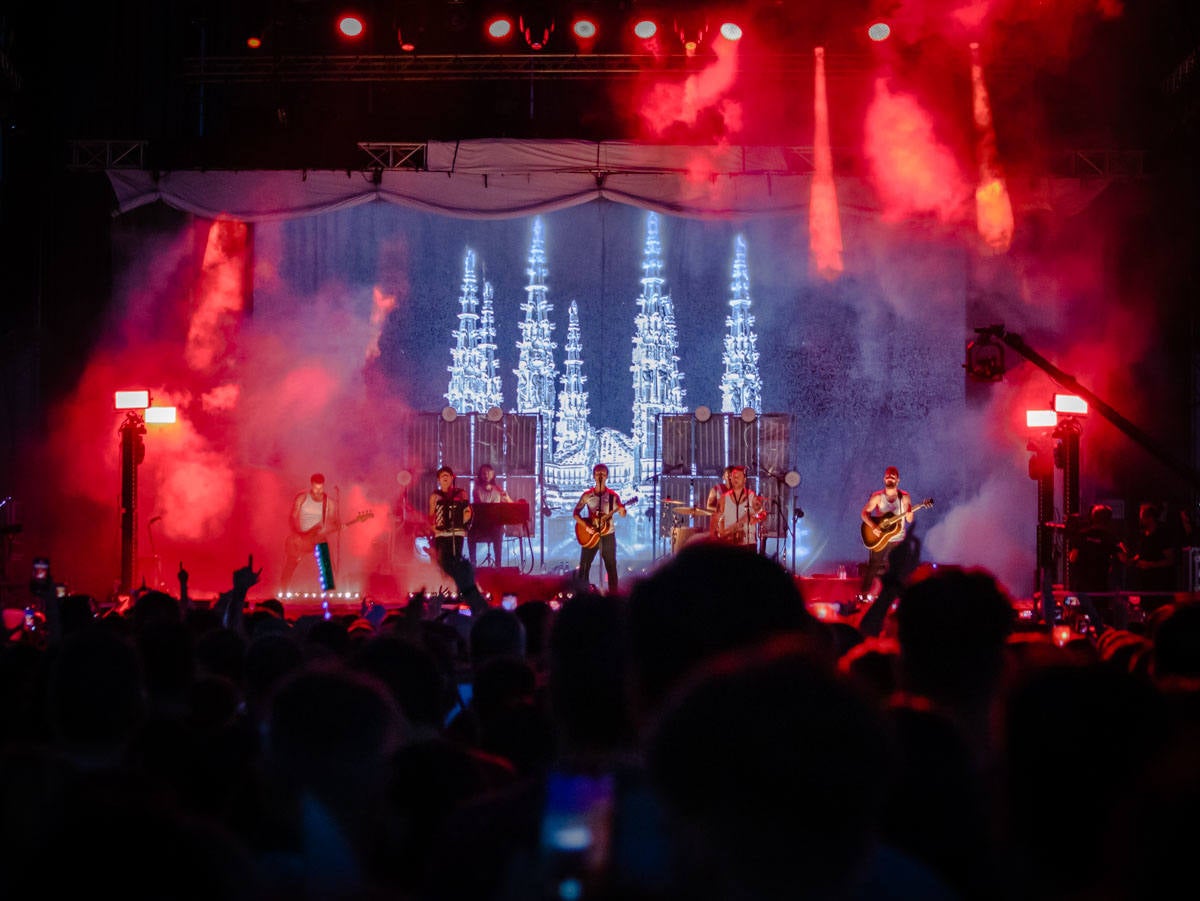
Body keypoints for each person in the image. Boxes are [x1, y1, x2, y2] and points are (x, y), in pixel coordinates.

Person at [573, 463, 628, 594]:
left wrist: (622, 510)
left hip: (607, 534)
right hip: (590, 536)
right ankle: (583, 595)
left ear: (607, 476)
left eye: (603, 473)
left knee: (611, 566)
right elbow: (575, 513)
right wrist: (585, 526)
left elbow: (622, 513)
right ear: (593, 476)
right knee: (584, 566)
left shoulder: (613, 496)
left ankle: (613, 596)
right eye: (598, 473)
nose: (600, 476)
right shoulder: (587, 495)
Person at [281, 473, 340, 592]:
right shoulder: (302, 498)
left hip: (318, 538)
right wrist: (296, 533)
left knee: (326, 563)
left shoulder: (330, 503)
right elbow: (292, 517)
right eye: (316, 487)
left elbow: (333, 521)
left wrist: (338, 525)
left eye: (321, 488)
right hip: (301, 537)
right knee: (291, 565)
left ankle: (329, 593)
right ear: (311, 485)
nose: (318, 491)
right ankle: (283, 591)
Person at [859, 466, 911, 600]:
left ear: (898, 480)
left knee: (897, 569)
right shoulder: (877, 497)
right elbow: (864, 513)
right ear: (884, 478)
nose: (890, 477)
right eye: (888, 475)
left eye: (893, 476)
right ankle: (863, 595)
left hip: (898, 539)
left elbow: (909, 519)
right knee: (873, 566)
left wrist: (909, 511)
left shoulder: (904, 497)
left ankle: (897, 598)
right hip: (881, 538)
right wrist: (873, 526)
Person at [429, 466, 472, 577]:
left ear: (452, 478)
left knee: (455, 559)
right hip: (440, 533)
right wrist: (432, 526)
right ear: (438, 479)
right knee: (441, 560)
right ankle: (442, 584)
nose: (444, 478)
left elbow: (467, 511)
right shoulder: (435, 496)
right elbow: (431, 515)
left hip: (456, 532)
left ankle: (455, 584)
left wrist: (461, 523)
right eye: (442, 476)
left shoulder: (461, 494)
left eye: (447, 475)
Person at [469, 463, 512, 569]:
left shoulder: (499, 489)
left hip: (495, 526)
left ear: (493, 474)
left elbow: (511, 504)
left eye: (488, 472)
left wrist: (507, 498)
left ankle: (498, 565)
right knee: (470, 534)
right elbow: (480, 510)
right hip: (481, 525)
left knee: (498, 530)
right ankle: (472, 565)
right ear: (480, 475)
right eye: (483, 473)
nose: (486, 474)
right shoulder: (476, 490)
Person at [1127, 502, 1176, 595]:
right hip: (1145, 584)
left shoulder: (1162, 535)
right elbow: (1143, 554)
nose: (1140, 519)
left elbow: (1170, 560)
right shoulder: (1143, 535)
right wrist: (1133, 560)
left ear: (1150, 518)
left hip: (1159, 585)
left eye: (1142, 516)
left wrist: (1150, 565)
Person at [710, 464, 763, 547]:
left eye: (738, 477)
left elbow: (762, 513)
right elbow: (715, 519)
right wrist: (714, 537)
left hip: (748, 543)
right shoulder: (723, 498)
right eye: (733, 476)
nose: (735, 479)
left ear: (744, 479)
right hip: (729, 543)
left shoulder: (752, 496)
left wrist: (756, 519)